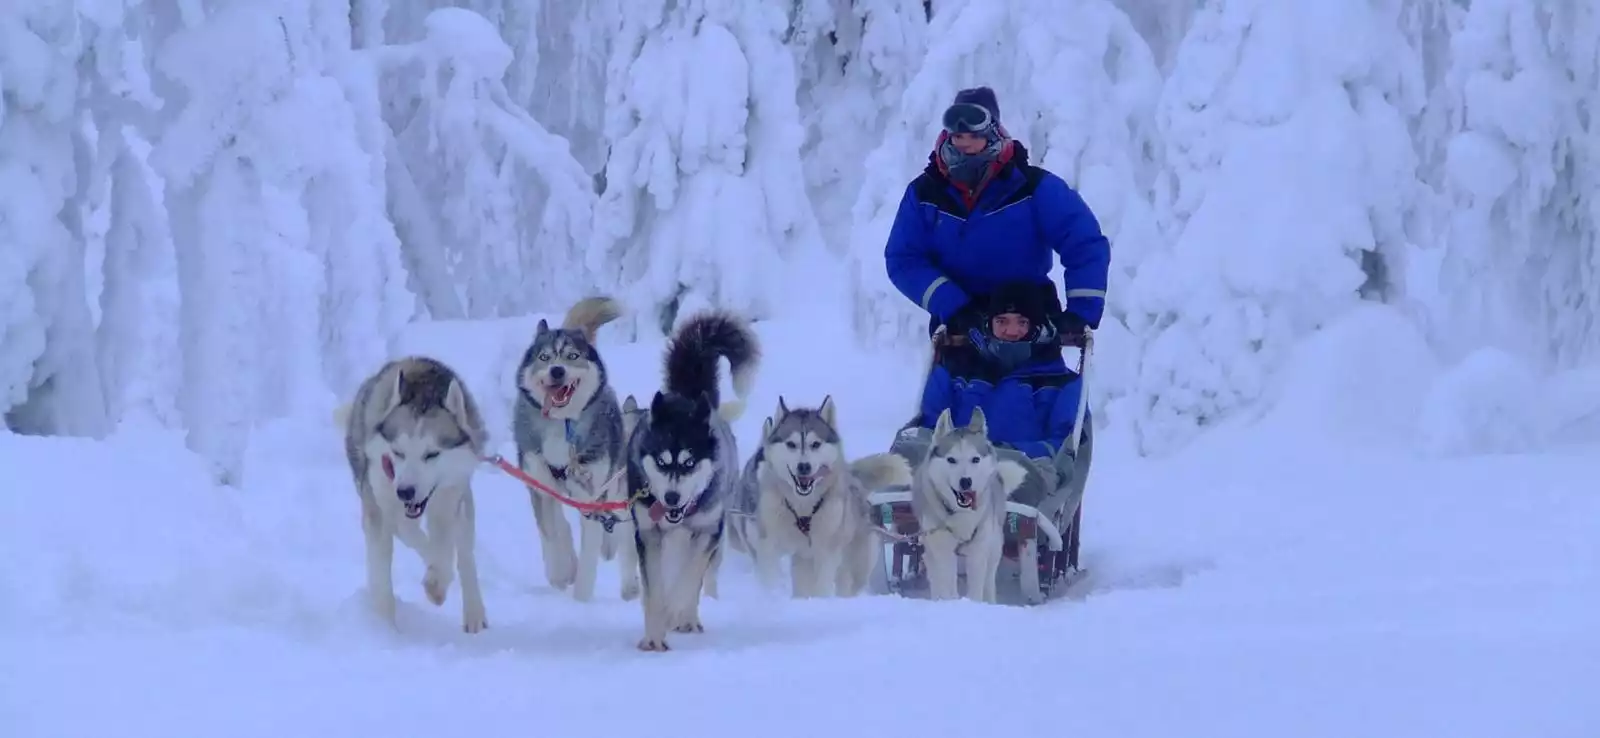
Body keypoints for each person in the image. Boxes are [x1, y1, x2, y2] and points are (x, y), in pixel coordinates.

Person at [883, 86, 1111, 520]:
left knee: (1031, 403)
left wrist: (1080, 313)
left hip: (1030, 319)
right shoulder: (927, 192)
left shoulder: (1031, 186)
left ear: (993, 129)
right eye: (954, 129)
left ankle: (1028, 484)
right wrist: (951, 302)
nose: (963, 139)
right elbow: (902, 258)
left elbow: (1085, 242)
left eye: (973, 129)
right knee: (955, 403)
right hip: (963, 322)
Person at [889, 283, 1091, 521]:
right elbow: (930, 425)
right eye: (1002, 321)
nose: (1011, 331)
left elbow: (1063, 445)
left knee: (1019, 472)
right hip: (953, 471)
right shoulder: (955, 374)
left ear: (1037, 328)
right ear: (989, 324)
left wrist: (1006, 453)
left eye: (1022, 322)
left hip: (1021, 472)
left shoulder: (1062, 383)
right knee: (907, 450)